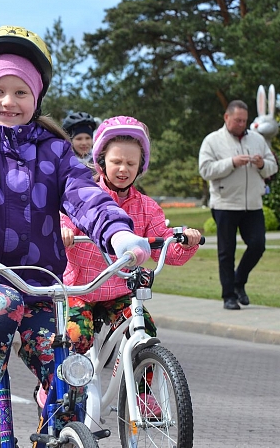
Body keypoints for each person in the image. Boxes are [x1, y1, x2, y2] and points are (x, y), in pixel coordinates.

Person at [0, 25, 151, 448]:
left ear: (36, 99)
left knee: (67, 370)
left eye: (21, 93)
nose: (9, 102)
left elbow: (86, 195)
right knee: (3, 302)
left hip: (36, 290)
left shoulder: (53, 152)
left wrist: (119, 234)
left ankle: (56, 430)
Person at [61, 116, 201, 355]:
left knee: (144, 331)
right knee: (77, 339)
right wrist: (64, 232)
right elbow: (65, 218)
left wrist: (186, 242)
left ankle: (142, 391)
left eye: (131, 163)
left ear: (140, 167)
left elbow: (164, 250)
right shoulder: (84, 196)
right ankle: (62, 389)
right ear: (102, 161)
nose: (123, 169)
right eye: (116, 161)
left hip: (119, 292)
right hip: (80, 290)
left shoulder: (147, 207)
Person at [199, 100, 277, 310]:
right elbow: (205, 170)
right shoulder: (212, 141)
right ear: (226, 117)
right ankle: (229, 296)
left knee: (258, 245)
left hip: (253, 204)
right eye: (238, 120)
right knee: (227, 252)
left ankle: (238, 281)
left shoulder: (258, 139)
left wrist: (262, 164)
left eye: (245, 120)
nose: (242, 124)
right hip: (225, 204)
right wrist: (232, 163)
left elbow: (272, 167)